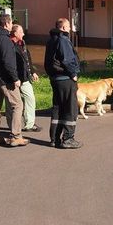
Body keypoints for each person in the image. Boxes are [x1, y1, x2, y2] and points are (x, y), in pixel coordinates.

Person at [0, 14, 29, 147]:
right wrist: (15, 78)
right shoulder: (4, 39)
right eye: (11, 23)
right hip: (6, 79)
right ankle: (16, 135)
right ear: (6, 24)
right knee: (17, 105)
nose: (11, 26)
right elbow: (8, 61)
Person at [44, 18, 82, 149]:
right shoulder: (63, 40)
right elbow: (67, 60)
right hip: (65, 78)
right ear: (64, 28)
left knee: (57, 108)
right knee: (70, 108)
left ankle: (54, 139)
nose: (70, 29)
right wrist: (73, 74)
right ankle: (68, 138)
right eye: (69, 26)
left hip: (55, 79)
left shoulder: (51, 40)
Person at [6, 24, 42, 133]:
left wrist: (33, 71)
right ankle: (12, 125)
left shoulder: (22, 43)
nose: (23, 33)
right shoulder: (8, 44)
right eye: (21, 32)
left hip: (25, 77)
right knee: (11, 103)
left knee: (30, 98)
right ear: (15, 33)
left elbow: (27, 58)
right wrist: (14, 78)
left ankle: (29, 124)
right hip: (13, 78)